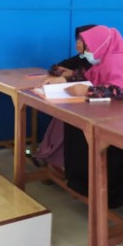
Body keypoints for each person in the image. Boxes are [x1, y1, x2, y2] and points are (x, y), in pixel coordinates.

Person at [46, 25, 123, 208]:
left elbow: (120, 91)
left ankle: (110, 194)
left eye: (88, 47)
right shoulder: (104, 59)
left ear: (99, 44)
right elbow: (85, 75)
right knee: (75, 127)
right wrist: (64, 80)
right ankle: (84, 185)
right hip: (119, 114)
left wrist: (87, 90)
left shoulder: (118, 61)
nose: (85, 51)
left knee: (96, 137)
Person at [33, 25, 96, 170]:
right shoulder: (82, 58)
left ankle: (50, 158)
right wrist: (69, 74)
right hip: (83, 100)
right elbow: (56, 68)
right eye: (77, 40)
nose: (77, 44)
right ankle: (50, 158)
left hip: (96, 105)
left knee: (67, 118)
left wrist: (71, 75)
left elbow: (90, 80)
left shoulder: (98, 60)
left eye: (81, 40)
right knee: (63, 116)